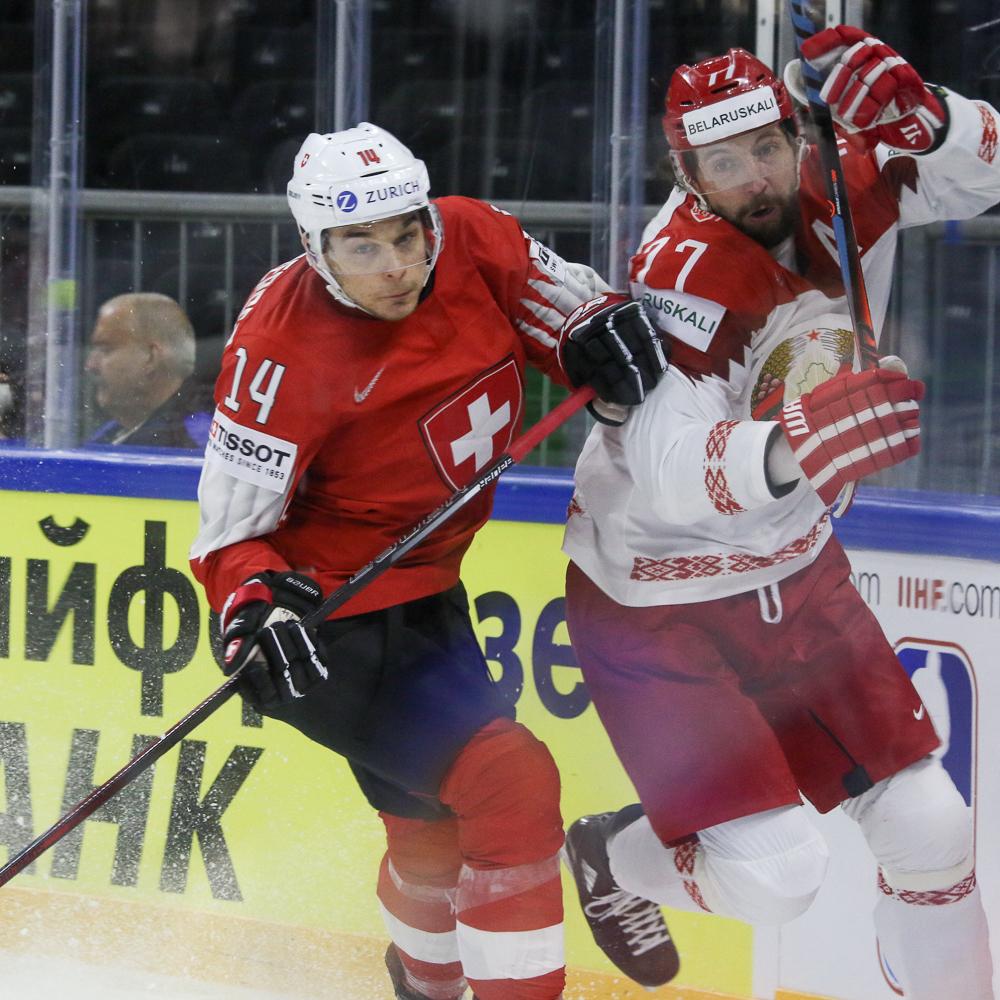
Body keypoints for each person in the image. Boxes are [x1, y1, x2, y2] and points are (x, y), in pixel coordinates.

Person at [560, 27, 999, 999]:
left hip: (796, 571)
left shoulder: (843, 173)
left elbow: (985, 177)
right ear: (685, 173)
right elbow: (668, 468)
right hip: (658, 603)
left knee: (933, 831)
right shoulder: (682, 271)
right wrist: (806, 440)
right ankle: (608, 855)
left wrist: (936, 122)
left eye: (767, 146)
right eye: (724, 164)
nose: (756, 179)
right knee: (779, 878)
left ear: (795, 131)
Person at [188, 122, 667, 1000]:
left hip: (429, 593)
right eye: (362, 247)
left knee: (431, 830)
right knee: (510, 784)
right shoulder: (279, 350)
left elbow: (577, 317)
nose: (397, 267)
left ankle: (423, 986)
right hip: (326, 622)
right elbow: (226, 538)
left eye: (407, 236)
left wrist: (601, 335)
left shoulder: (474, 238)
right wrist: (256, 605)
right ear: (316, 248)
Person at [84, 292, 211, 448]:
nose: (90, 365)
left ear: (151, 358)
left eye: (105, 350)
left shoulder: (198, 441)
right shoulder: (111, 432)